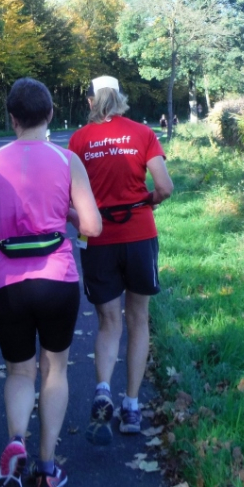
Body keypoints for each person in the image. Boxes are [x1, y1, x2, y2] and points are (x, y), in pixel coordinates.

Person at [0, 77, 101, 487]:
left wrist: (3, 231)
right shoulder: (67, 160)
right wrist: (67, 217)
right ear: (50, 114)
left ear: (12, 118)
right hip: (56, 280)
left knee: (19, 372)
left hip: (5, 284)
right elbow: (92, 226)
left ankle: (16, 442)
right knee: (55, 369)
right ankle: (47, 467)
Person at [68, 75, 174, 446]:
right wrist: (147, 201)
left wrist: (80, 215)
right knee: (138, 319)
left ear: (90, 101)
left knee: (109, 322)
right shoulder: (143, 133)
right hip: (139, 234)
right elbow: (165, 187)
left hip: (98, 237)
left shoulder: (79, 140)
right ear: (121, 98)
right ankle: (131, 406)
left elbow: (68, 195)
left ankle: (103, 390)